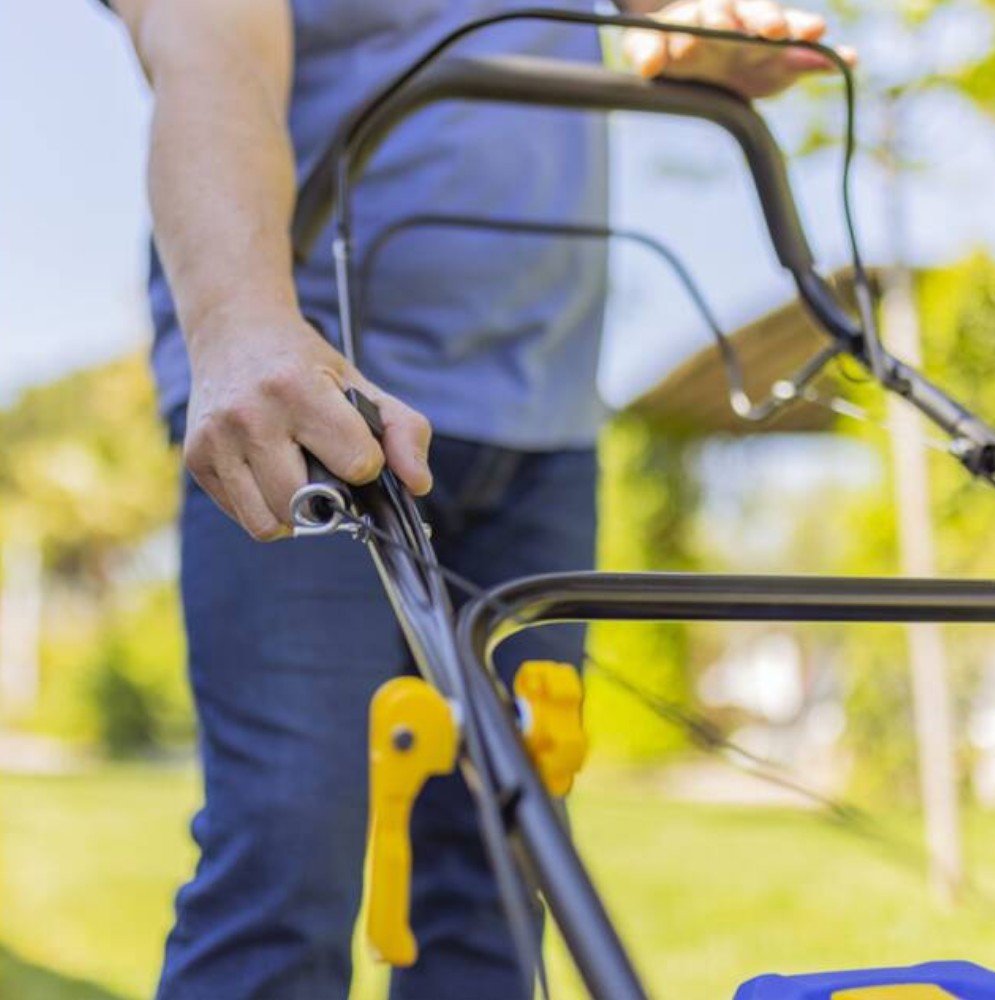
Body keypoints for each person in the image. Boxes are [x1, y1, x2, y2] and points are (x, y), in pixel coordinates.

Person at [98, 1, 852, 998]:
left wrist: (692, 28)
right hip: (314, 410)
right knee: (288, 850)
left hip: (544, 407)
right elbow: (205, 36)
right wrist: (240, 324)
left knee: (502, 872)